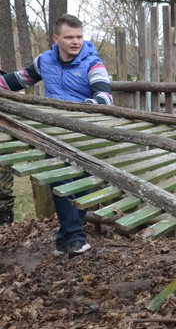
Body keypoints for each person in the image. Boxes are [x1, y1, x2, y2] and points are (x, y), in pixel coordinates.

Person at [0, 14, 112, 256]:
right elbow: (18, 80)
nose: (76, 41)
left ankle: (64, 239)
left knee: (83, 187)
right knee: (60, 180)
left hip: (84, 132)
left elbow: (105, 96)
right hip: (52, 134)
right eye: (69, 37)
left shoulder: (93, 63)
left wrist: (82, 111)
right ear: (56, 38)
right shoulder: (45, 61)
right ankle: (74, 238)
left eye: (79, 36)